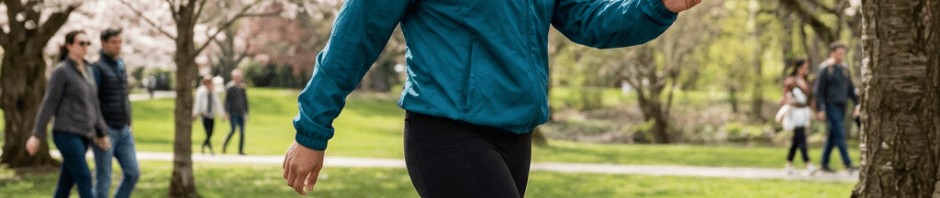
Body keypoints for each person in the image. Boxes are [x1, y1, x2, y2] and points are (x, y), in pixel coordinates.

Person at [281, 0, 701, 197]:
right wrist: (312, 131)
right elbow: (354, 38)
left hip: (516, 139)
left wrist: (657, 6)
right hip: (449, 134)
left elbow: (589, 20)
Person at [26, 30, 111, 198]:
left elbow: (94, 104)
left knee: (65, 184)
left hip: (84, 134)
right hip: (66, 134)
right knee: (85, 179)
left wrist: (102, 132)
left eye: (88, 43)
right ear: (69, 46)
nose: (85, 47)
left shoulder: (89, 71)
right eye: (81, 43)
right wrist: (37, 134)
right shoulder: (62, 71)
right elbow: (49, 103)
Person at [89, 28, 141, 198]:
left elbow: (124, 96)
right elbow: (92, 102)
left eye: (119, 42)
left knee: (133, 173)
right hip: (106, 131)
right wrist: (99, 132)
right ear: (103, 43)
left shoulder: (120, 66)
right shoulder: (96, 68)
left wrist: (129, 120)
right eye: (113, 42)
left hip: (124, 130)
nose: (117, 46)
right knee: (104, 181)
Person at [813, 41, 860, 173]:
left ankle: (824, 163)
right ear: (832, 53)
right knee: (840, 132)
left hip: (842, 105)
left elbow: (850, 89)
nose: (841, 56)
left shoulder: (844, 68)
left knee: (833, 135)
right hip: (830, 105)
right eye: (839, 53)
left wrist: (858, 103)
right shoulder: (825, 68)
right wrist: (820, 109)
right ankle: (848, 164)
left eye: (843, 53)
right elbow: (818, 91)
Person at [776, 59, 817, 175]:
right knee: (801, 137)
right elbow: (785, 97)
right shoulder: (791, 81)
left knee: (796, 140)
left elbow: (810, 98)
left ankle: (789, 163)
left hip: (804, 111)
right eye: (805, 67)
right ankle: (808, 163)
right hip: (795, 112)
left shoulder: (807, 82)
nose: (807, 70)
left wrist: (813, 110)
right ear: (799, 68)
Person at [193, 75, 226, 155]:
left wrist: (222, 114)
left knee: (210, 132)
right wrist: (195, 114)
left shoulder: (214, 92)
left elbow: (218, 104)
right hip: (204, 115)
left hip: (212, 115)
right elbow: (197, 103)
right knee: (208, 132)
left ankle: (205, 146)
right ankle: (210, 149)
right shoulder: (201, 91)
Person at [223, 69, 249, 155]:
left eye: (239, 77)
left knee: (242, 132)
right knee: (233, 130)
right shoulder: (230, 87)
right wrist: (226, 112)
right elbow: (226, 101)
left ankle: (240, 150)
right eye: (236, 76)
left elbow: (245, 100)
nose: (238, 78)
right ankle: (225, 144)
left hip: (241, 112)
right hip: (232, 112)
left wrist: (247, 111)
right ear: (233, 77)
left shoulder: (242, 87)